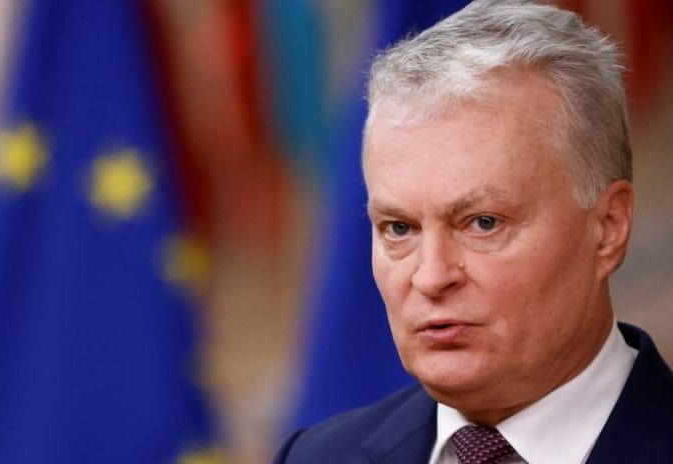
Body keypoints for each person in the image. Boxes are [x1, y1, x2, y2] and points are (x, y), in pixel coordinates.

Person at [273, 0, 673, 462]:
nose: (431, 277)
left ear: (608, 228)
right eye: (399, 228)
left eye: (483, 223)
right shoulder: (316, 456)